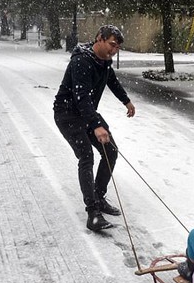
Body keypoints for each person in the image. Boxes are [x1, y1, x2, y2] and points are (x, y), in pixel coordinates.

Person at [53, 25, 135, 231]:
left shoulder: (104, 62)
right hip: (67, 114)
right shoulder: (81, 61)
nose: (114, 50)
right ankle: (93, 213)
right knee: (86, 156)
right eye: (112, 45)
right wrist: (96, 125)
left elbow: (112, 82)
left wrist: (126, 101)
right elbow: (81, 97)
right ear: (99, 38)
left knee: (110, 151)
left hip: (86, 112)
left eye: (117, 47)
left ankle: (98, 196)